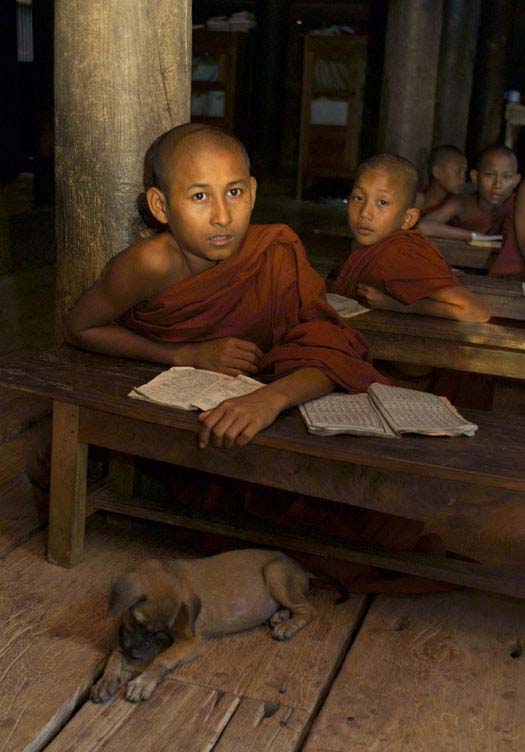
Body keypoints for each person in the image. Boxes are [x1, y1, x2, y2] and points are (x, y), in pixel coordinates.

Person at [65, 123, 386, 449]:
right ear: (161, 206)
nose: (222, 216)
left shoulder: (275, 251)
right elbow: (80, 328)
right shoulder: (148, 265)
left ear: (253, 192)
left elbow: (331, 351)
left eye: (234, 192)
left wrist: (269, 399)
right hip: (167, 416)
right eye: (199, 196)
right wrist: (183, 354)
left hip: (255, 409)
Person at [333, 153, 490, 322]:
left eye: (382, 202)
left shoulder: (403, 254)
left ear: (408, 218)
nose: (365, 213)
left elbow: (477, 311)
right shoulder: (368, 245)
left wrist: (396, 305)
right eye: (359, 198)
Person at [418, 145, 523, 278]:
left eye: (507, 177)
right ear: (475, 177)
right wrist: (476, 236)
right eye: (490, 175)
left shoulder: (516, 205)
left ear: (516, 180)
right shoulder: (461, 202)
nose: (498, 185)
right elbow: (424, 226)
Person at [416, 145, 467, 217]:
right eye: (458, 172)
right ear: (437, 172)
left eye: (464, 172)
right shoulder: (414, 197)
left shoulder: (457, 204)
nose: (464, 177)